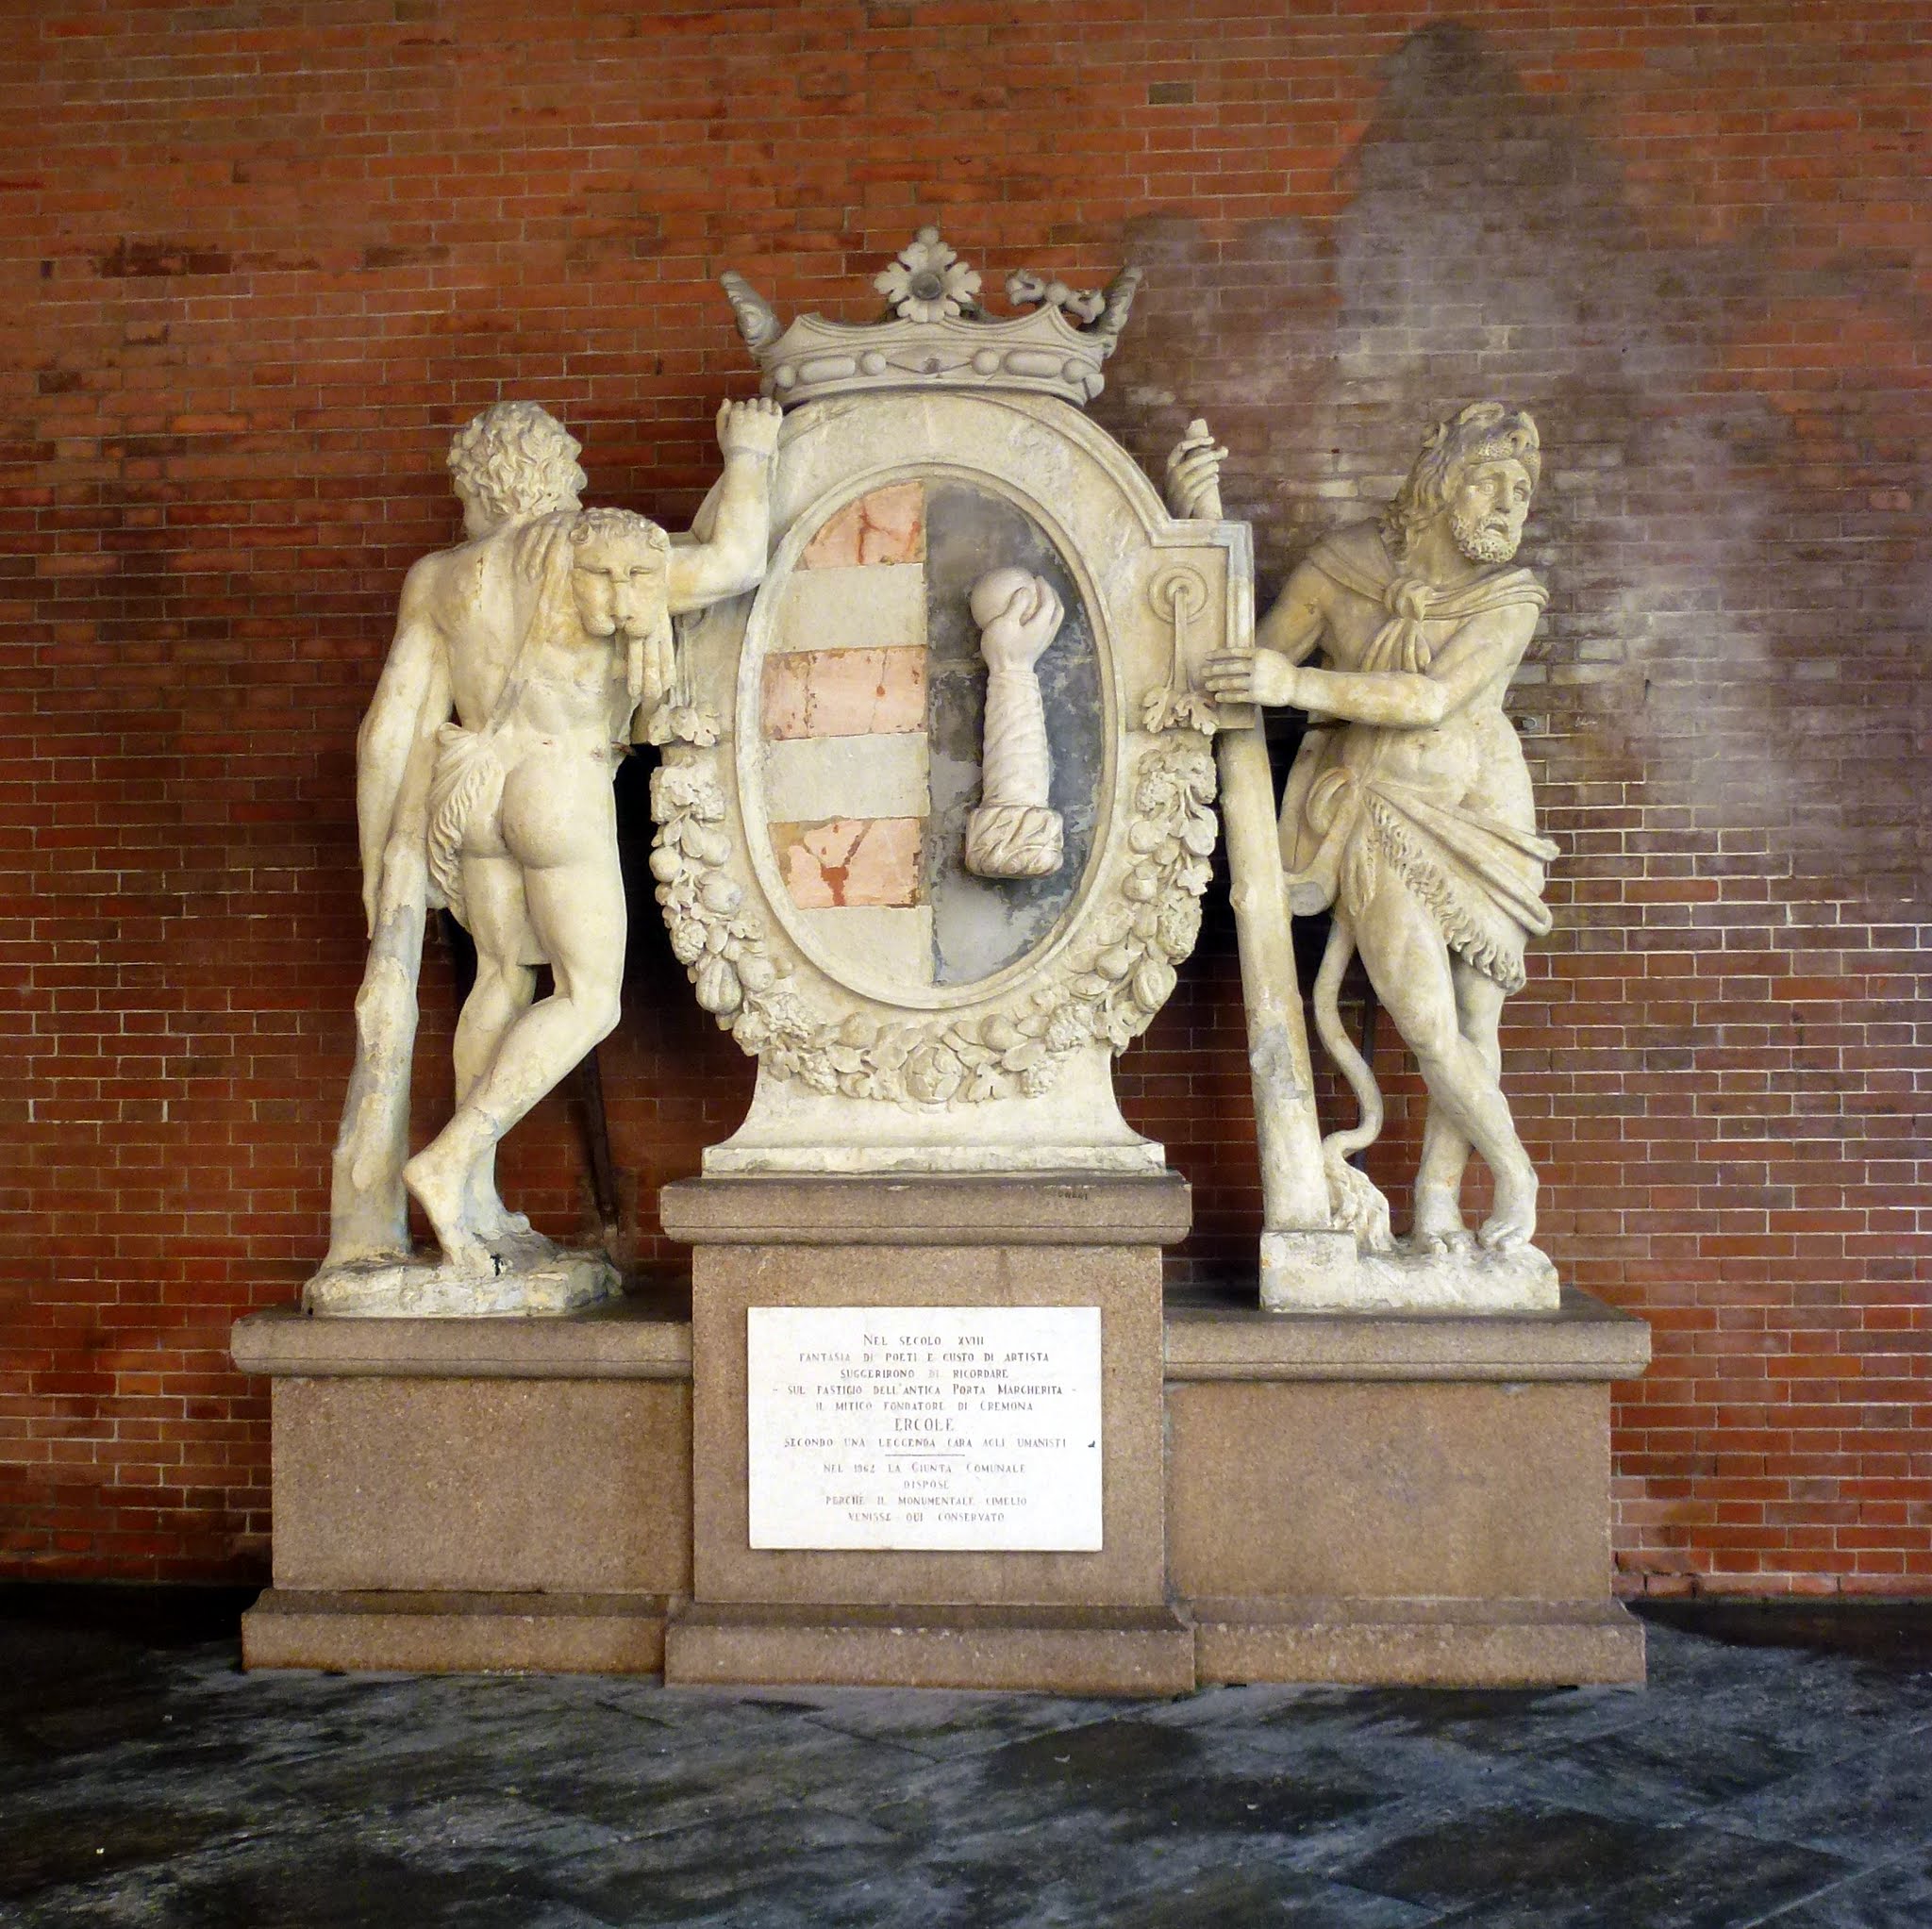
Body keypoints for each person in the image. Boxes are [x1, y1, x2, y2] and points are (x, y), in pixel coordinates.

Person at [323, 396, 781, 1279]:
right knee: (589, 994)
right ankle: (454, 1157)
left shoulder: (438, 577)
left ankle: (479, 1197)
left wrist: (380, 861)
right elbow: (734, 561)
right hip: (553, 780)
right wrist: (750, 453)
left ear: (482, 484)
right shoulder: (590, 550)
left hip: (469, 786)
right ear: (556, 471)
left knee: (501, 975)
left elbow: (384, 733)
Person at [1202, 403, 1557, 1255]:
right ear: (1441, 484)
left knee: (1479, 1021)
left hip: (1487, 813)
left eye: (1523, 490)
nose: (1511, 505)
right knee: (1427, 1021)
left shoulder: (1512, 599)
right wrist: (1201, 529)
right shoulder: (1339, 570)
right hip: (1377, 806)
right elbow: (1241, 674)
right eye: (1492, 482)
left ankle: (1438, 1202)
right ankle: (1517, 1169)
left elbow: (1431, 698)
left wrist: (1299, 686)